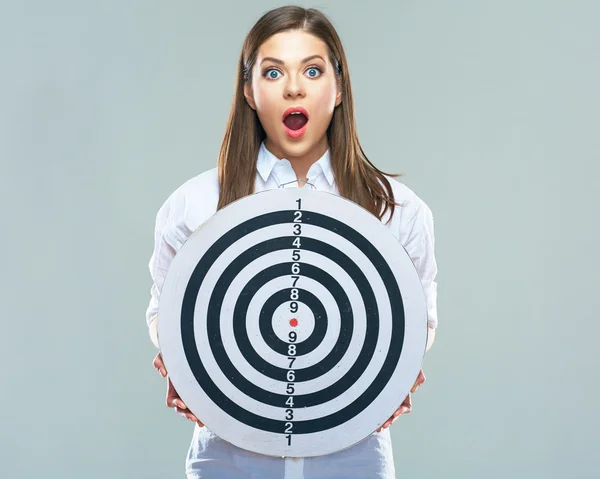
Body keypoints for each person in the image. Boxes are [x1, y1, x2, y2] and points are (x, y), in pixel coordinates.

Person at [145, 5, 438, 478]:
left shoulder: (398, 211)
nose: (294, 87)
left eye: (313, 70)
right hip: (228, 457)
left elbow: (418, 319)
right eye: (274, 70)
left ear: (339, 89)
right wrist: (183, 359)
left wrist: (399, 367)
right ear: (248, 89)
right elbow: (164, 310)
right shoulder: (193, 206)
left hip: (354, 459)